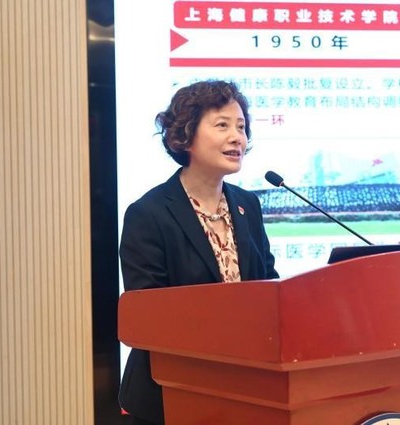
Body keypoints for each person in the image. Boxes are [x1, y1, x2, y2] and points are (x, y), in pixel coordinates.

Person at [118, 79, 279, 424]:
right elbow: (148, 314)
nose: (237, 137)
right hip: (170, 393)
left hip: (244, 389)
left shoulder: (248, 205)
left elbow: (269, 286)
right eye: (222, 125)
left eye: (241, 127)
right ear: (186, 135)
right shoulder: (149, 213)